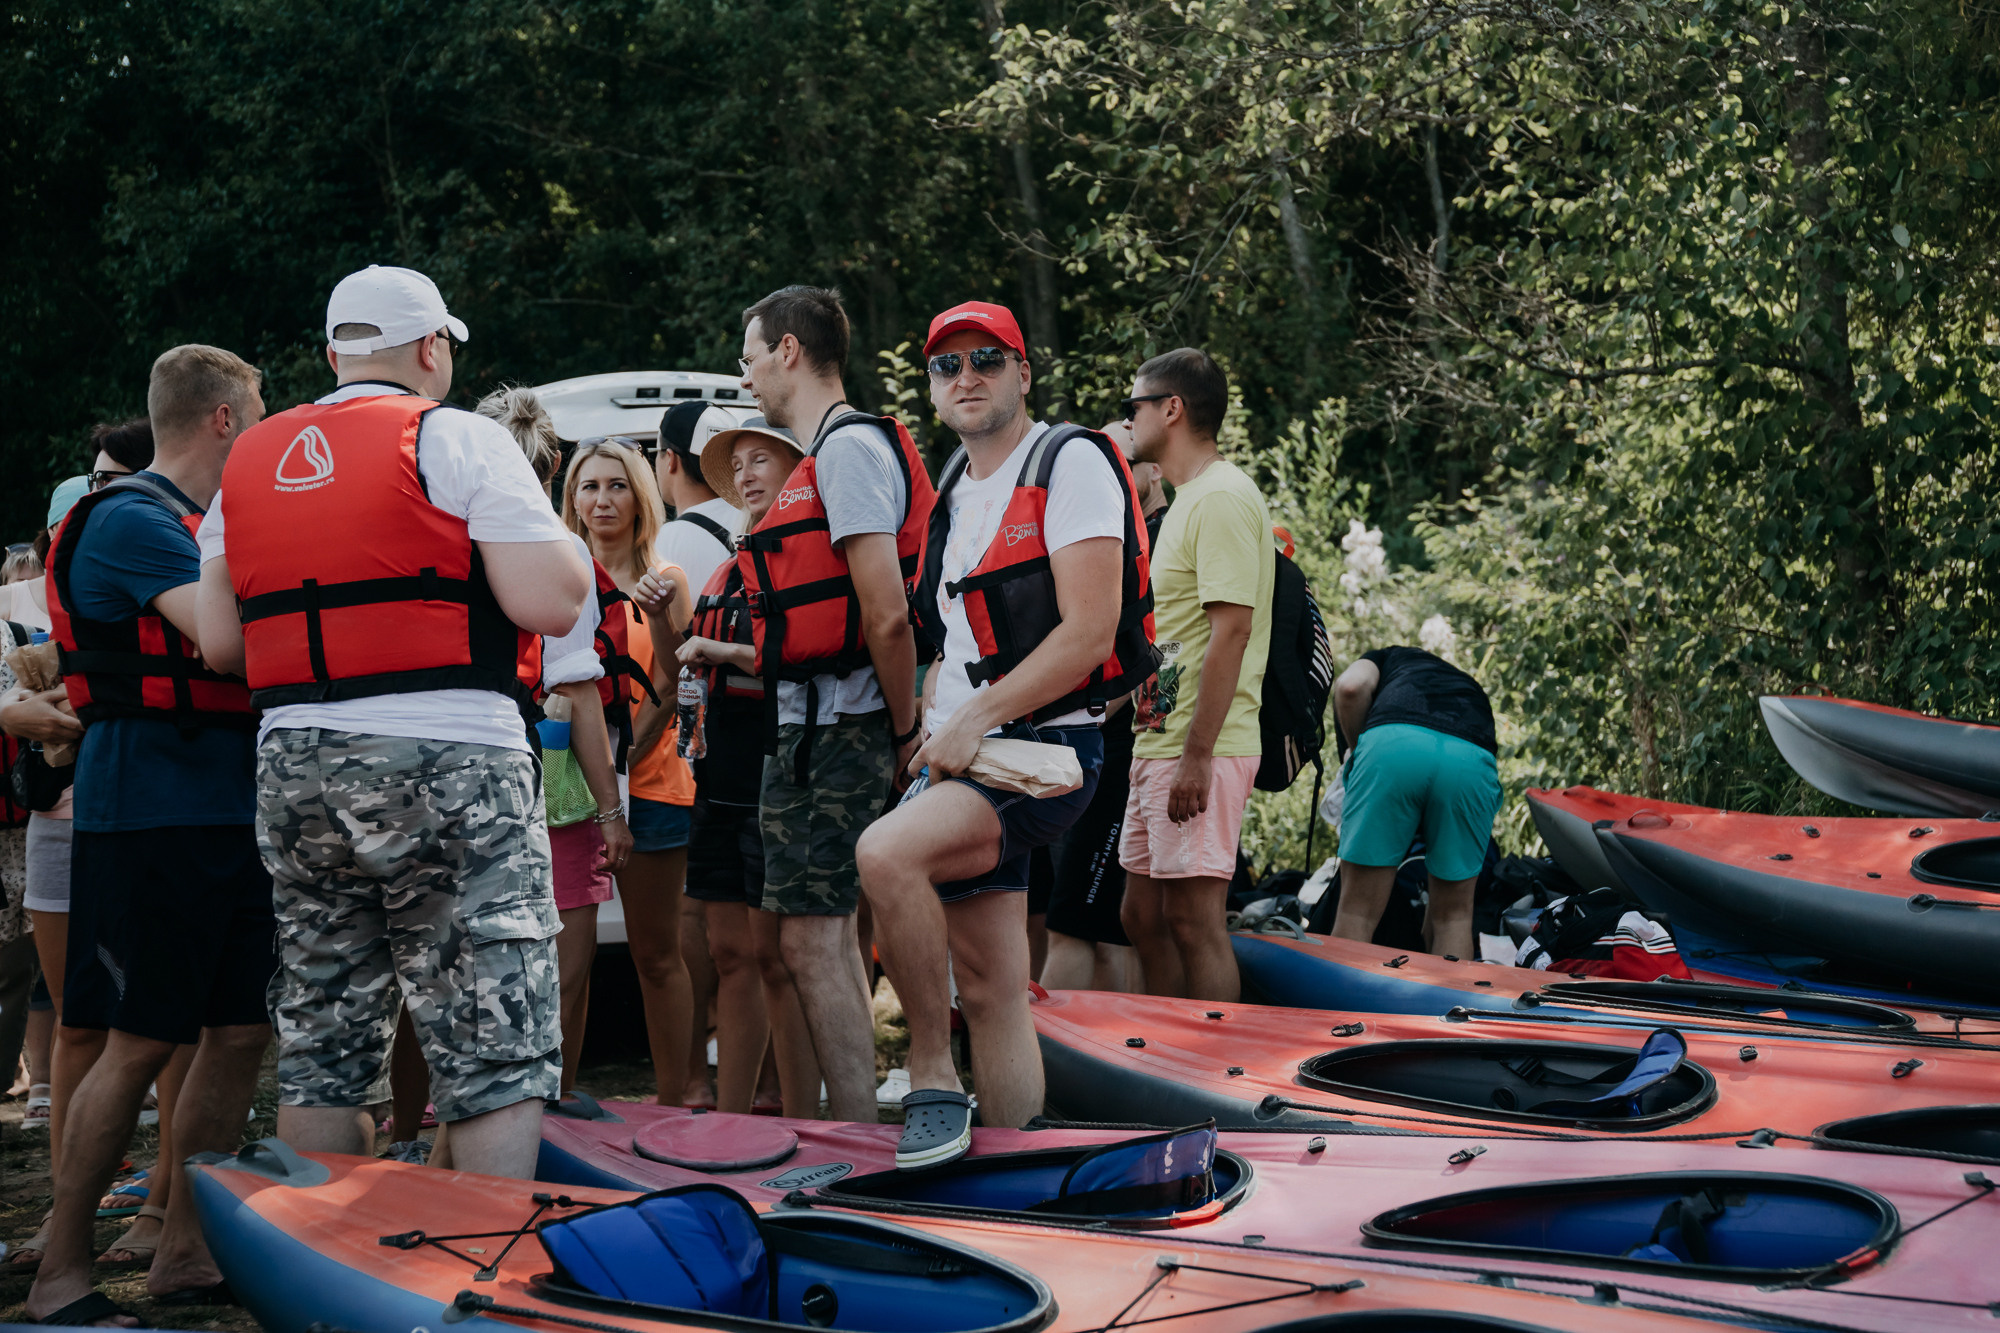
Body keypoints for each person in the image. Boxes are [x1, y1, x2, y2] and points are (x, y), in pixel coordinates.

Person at [194, 266, 589, 1189]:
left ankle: (326, 1258)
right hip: (449, 754)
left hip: (296, 766)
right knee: (492, 1023)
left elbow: (221, 642)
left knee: (325, 1030)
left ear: (334, 354)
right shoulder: (460, 440)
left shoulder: (248, 461)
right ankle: (490, 1261)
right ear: (430, 348)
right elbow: (554, 601)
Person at [858, 301, 1157, 1167]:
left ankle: (928, 1072)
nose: (967, 378)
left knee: (885, 854)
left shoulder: (1072, 464)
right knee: (992, 988)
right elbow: (947, 638)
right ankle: (1019, 1166)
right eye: (946, 367)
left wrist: (969, 724)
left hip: (1045, 755)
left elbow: (1089, 632)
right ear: (932, 389)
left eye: (987, 359)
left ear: (1024, 371)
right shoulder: (954, 484)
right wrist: (924, 727)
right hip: (967, 752)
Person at [27, 344, 276, 1325]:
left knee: (240, 1030)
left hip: (226, 807)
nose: (263, 431)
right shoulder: (133, 521)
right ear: (223, 418)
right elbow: (235, 644)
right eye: (258, 412)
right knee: (137, 1042)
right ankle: (60, 1271)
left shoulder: (193, 523)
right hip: (150, 815)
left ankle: (183, 1249)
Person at [728, 285, 933, 1123]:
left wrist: (903, 729)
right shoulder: (822, 454)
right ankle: (850, 1126)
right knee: (816, 935)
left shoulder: (846, 452)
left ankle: (855, 1139)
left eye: (748, 357)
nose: (744, 377)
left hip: (843, 723)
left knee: (811, 936)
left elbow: (884, 612)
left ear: (787, 351)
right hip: (815, 723)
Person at [482, 389, 634, 1103]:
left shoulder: (443, 536)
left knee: (461, 967)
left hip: (462, 776)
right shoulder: (560, 549)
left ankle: (418, 1132)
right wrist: (612, 812)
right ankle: (553, 1105)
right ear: (553, 470)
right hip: (551, 782)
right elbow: (577, 694)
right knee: (562, 968)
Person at [677, 418, 824, 1116]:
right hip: (721, 776)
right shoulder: (729, 560)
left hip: (786, 775)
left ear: (797, 466)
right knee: (730, 953)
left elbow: (815, 660)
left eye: (760, 459)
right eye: (737, 465)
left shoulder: (817, 551)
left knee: (782, 959)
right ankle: (731, 1126)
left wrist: (723, 654)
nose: (745, 475)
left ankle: (805, 1120)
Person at [1119, 348, 1273, 1005]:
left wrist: (1197, 755)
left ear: (1171, 409)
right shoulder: (1185, 500)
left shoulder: (1223, 497)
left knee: (1192, 918)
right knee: (1142, 916)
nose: (1128, 420)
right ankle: (1167, 1046)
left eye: (1135, 406)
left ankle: (1213, 1067)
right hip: (1158, 738)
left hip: (1201, 745)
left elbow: (1232, 630)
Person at [561, 437, 695, 1104]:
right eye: (589, 486)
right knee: (569, 965)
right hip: (567, 796)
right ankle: (558, 1101)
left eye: (617, 485)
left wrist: (621, 760)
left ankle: (679, 1097)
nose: (602, 499)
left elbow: (675, 686)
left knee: (656, 953)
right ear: (572, 499)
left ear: (638, 497)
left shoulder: (666, 579)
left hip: (654, 786)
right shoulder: (557, 575)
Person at [1039, 421, 1169, 992]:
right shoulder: (1111, 533)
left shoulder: (1162, 537)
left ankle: (1049, 1067)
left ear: (1153, 470)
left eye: (1121, 458)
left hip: (1121, 750)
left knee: (1076, 920)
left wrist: (1098, 710)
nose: (1108, 472)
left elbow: (1171, 650)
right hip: (1090, 745)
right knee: (1100, 924)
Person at [651, 400, 744, 1109]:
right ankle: (764, 1076)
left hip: (693, 743)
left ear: (670, 461)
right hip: (761, 731)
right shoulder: (759, 523)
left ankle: (689, 1074)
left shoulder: (673, 540)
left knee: (693, 911)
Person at [1328, 646, 1501, 960]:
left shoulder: (1386, 656)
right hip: (1470, 755)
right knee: (1454, 918)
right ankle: (1448, 1009)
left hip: (1394, 747)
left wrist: (1357, 751)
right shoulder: (1462, 683)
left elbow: (1350, 688)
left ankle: (1338, 1009)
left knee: (1358, 913)